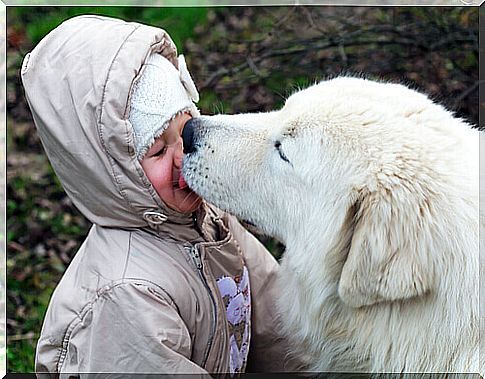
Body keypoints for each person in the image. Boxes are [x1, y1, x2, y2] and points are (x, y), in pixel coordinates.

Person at [21, 15, 303, 376]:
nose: (182, 157)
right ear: (109, 171)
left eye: (186, 131)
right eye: (156, 151)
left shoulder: (212, 219)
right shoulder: (125, 296)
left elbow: (275, 319)